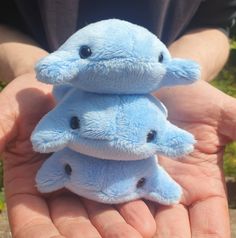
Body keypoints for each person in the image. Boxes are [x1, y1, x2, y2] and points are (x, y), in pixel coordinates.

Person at [0, 0, 236, 237]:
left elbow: (212, 24)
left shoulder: (148, 108)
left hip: (131, 173)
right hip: (75, 167)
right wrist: (29, 71)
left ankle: (148, 183)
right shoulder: (73, 102)